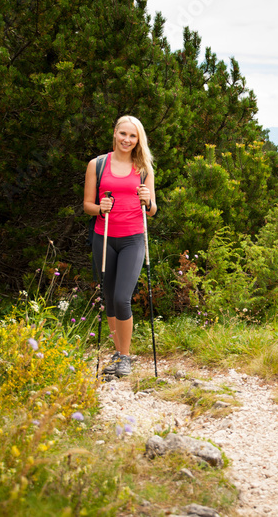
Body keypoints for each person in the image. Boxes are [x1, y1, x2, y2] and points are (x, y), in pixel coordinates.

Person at [83, 115, 157, 378]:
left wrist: (147, 200)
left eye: (133, 136)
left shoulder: (144, 168)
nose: (127, 140)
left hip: (132, 239)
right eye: (123, 134)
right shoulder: (98, 165)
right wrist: (99, 208)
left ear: (139, 140)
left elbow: (152, 210)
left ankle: (125, 357)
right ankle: (118, 352)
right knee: (110, 299)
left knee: (121, 298)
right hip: (103, 237)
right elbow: (87, 206)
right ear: (115, 134)